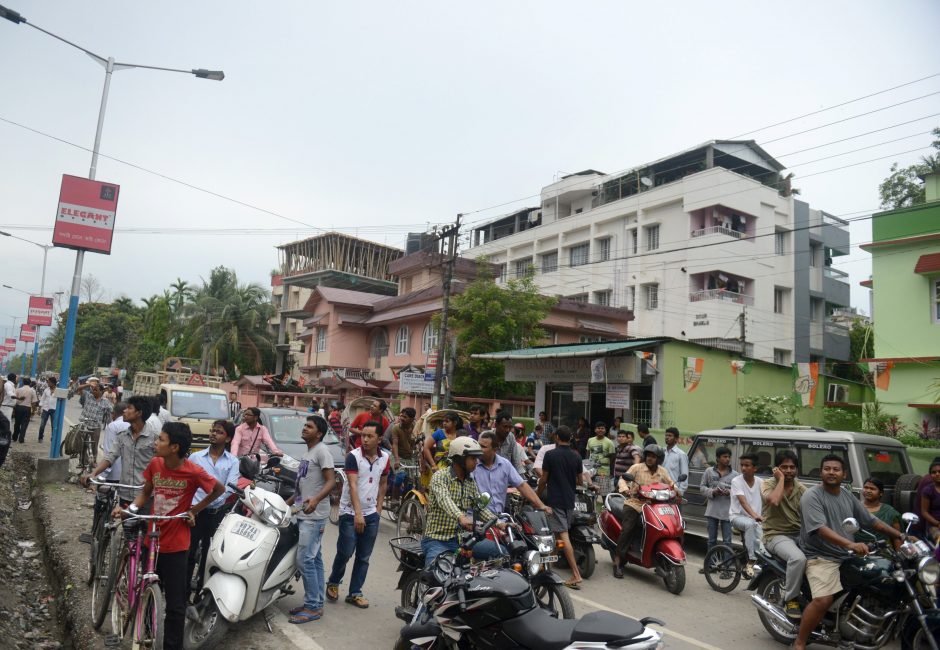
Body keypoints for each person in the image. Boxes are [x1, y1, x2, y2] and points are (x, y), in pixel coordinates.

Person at [115, 422, 224, 650]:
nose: (156, 443)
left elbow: (218, 489)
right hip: (151, 540)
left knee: (175, 606)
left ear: (174, 447)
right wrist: (130, 510)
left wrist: (194, 510)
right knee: (147, 593)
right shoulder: (155, 464)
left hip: (176, 546)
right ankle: (144, 639)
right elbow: (145, 493)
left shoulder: (192, 471)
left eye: (161, 439)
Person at [793, 454, 907, 650]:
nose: (831, 472)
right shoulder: (812, 496)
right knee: (823, 600)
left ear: (844, 474)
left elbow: (872, 521)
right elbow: (820, 528)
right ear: (821, 472)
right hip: (821, 556)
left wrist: (901, 536)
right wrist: (850, 544)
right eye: (827, 468)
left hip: (845, 555)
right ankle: (800, 642)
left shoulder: (847, 495)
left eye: (836, 469)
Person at [326, 421, 389, 609]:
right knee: (345, 551)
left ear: (379, 439)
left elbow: (383, 483)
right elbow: (352, 485)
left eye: (370, 436)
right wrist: (358, 514)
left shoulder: (384, 458)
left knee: (363, 557)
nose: (365, 439)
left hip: (371, 514)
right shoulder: (353, 457)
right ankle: (334, 581)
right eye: (363, 435)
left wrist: (378, 510)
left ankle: (355, 593)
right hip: (349, 512)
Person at [421, 436, 501, 567]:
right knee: (438, 573)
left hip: (463, 539)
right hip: (437, 540)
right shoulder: (440, 477)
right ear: (460, 459)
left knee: (501, 552)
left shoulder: (470, 481)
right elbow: (444, 500)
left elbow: (479, 507)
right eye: (473, 458)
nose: (476, 462)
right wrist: (461, 517)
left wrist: (499, 523)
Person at [287, 415, 335, 624]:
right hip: (303, 511)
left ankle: (313, 606)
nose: (305, 428)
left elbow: (332, 481)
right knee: (314, 559)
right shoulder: (309, 453)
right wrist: (287, 503)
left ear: (320, 433)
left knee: (304, 559)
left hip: (314, 516)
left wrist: (315, 499)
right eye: (305, 425)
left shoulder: (322, 451)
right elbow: (302, 485)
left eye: (309, 426)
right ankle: (314, 603)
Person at [187, 420, 239, 593]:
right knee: (189, 551)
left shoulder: (232, 461)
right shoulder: (196, 457)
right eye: (213, 430)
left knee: (210, 554)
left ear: (228, 438)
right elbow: (188, 484)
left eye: (219, 432)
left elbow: (229, 487)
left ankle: (202, 591)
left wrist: (211, 501)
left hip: (216, 513)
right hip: (195, 512)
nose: (213, 434)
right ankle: (184, 590)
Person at [613, 444, 675, 579]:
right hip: (635, 503)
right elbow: (623, 478)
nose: (650, 458)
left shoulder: (662, 471)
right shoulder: (637, 468)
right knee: (628, 529)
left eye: (653, 457)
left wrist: (678, 493)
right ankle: (618, 562)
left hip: (654, 506)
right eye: (648, 455)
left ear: (659, 459)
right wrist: (625, 489)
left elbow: (671, 484)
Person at [760, 449, 807, 621]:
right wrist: (780, 480)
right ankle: (791, 599)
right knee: (798, 559)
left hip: (799, 535)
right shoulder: (768, 484)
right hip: (775, 535)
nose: (788, 471)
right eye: (784, 467)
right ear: (777, 468)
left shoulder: (801, 489)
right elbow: (774, 501)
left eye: (792, 467)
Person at [535, 425, 584, 589]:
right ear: (570, 438)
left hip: (555, 500)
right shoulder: (576, 456)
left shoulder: (550, 455)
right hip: (570, 500)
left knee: (563, 535)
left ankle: (576, 574)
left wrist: (536, 496)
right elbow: (581, 481)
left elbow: (543, 479)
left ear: (556, 438)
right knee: (558, 533)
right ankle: (544, 565)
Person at [84, 395, 158, 503]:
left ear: (139, 413)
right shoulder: (122, 436)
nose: (124, 410)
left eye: (129, 408)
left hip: (145, 495)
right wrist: (94, 473)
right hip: (124, 494)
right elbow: (110, 457)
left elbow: (160, 464)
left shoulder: (154, 437)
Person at [473, 431, 552, 517]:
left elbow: (522, 485)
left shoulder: (505, 464)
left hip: (500, 519)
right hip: (477, 521)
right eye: (478, 445)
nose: (478, 449)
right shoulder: (472, 465)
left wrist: (541, 505)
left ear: (495, 449)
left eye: (483, 447)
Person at [730, 452, 764, 577]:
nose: (743, 468)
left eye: (747, 465)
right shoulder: (736, 481)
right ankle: (751, 559)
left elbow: (768, 500)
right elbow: (742, 501)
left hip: (756, 520)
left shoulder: (761, 482)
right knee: (750, 524)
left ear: (755, 468)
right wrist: (755, 515)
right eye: (742, 465)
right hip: (737, 517)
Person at [701, 446, 737, 551]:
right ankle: (711, 565)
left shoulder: (735, 475)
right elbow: (702, 488)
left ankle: (727, 565)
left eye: (729, 457)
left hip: (727, 512)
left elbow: (739, 492)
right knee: (711, 540)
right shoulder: (709, 471)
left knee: (727, 541)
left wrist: (729, 492)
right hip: (712, 511)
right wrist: (713, 492)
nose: (727, 459)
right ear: (717, 458)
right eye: (724, 456)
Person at [71, 381, 111, 461]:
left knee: (94, 444)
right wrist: (89, 384)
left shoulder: (105, 401)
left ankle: (94, 460)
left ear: (101, 391)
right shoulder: (88, 396)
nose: (93, 391)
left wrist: (110, 424)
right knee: (83, 443)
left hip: (96, 426)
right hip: (85, 424)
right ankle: (83, 459)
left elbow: (111, 411)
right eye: (93, 389)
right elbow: (77, 389)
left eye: (96, 390)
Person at [859, 477, 901, 547]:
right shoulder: (855, 508)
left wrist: (899, 556)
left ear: (881, 493)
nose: (868, 491)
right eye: (866, 488)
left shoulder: (890, 512)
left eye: (872, 489)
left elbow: (896, 537)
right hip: (857, 551)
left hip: (883, 553)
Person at [422, 410, 462, 483]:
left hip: (455, 465)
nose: (444, 423)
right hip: (440, 465)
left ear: (455, 423)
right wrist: (433, 465)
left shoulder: (460, 435)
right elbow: (426, 447)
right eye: (443, 421)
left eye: (447, 421)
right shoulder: (439, 433)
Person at [98, 402, 130, 481]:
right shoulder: (131, 425)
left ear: (114, 413)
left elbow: (108, 452)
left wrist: (102, 474)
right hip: (128, 474)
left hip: (114, 473)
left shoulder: (113, 426)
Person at [586, 421, 615, 493]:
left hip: (604, 470)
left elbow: (613, 456)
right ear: (595, 430)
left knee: (604, 492)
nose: (600, 430)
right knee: (590, 490)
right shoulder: (590, 440)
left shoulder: (609, 442)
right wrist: (587, 466)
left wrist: (609, 469)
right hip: (591, 470)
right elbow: (588, 453)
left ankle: (605, 504)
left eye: (602, 428)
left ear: (605, 430)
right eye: (598, 428)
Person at [662, 427, 689, 496]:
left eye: (670, 436)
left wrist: (679, 493)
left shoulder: (681, 454)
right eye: (666, 435)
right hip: (660, 490)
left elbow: (685, 475)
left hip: (673, 492)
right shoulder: (662, 452)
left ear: (676, 439)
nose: (667, 437)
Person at [920, 461, 940, 543]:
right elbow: (924, 512)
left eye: (939, 471)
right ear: (930, 475)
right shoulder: (928, 490)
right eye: (934, 472)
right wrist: (938, 523)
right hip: (934, 526)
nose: (937, 474)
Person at [12, 378, 36, 443]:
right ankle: (21, 439)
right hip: (27, 409)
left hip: (18, 408)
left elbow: (14, 400)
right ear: (30, 383)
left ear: (23, 382)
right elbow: (33, 402)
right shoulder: (32, 391)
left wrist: (14, 409)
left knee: (17, 423)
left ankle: (14, 437)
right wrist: (33, 411)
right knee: (24, 424)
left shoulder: (18, 389)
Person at [37, 377, 57, 442]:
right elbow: (42, 399)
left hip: (54, 410)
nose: (48, 383)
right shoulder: (46, 390)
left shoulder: (58, 390)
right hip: (46, 409)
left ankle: (53, 437)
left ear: (53, 383)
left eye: (49, 382)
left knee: (53, 425)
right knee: (42, 424)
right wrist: (39, 409)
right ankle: (40, 437)